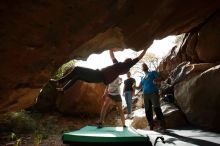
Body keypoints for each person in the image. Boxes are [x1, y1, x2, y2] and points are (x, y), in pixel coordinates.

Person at [50, 48, 147, 93]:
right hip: (99, 77)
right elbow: (112, 56)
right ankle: (63, 89)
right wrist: (111, 48)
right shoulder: (118, 65)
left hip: (99, 75)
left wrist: (146, 48)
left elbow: (139, 57)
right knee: (78, 76)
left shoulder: (126, 65)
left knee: (77, 69)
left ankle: (59, 82)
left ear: (128, 61)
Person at [134, 63, 165, 131]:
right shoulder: (142, 77)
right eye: (143, 65)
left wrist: (156, 80)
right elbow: (139, 87)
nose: (144, 66)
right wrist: (134, 87)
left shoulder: (152, 72)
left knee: (157, 108)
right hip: (145, 95)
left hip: (153, 92)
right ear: (142, 68)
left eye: (145, 65)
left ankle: (162, 125)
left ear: (147, 67)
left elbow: (160, 78)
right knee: (148, 110)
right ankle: (151, 126)